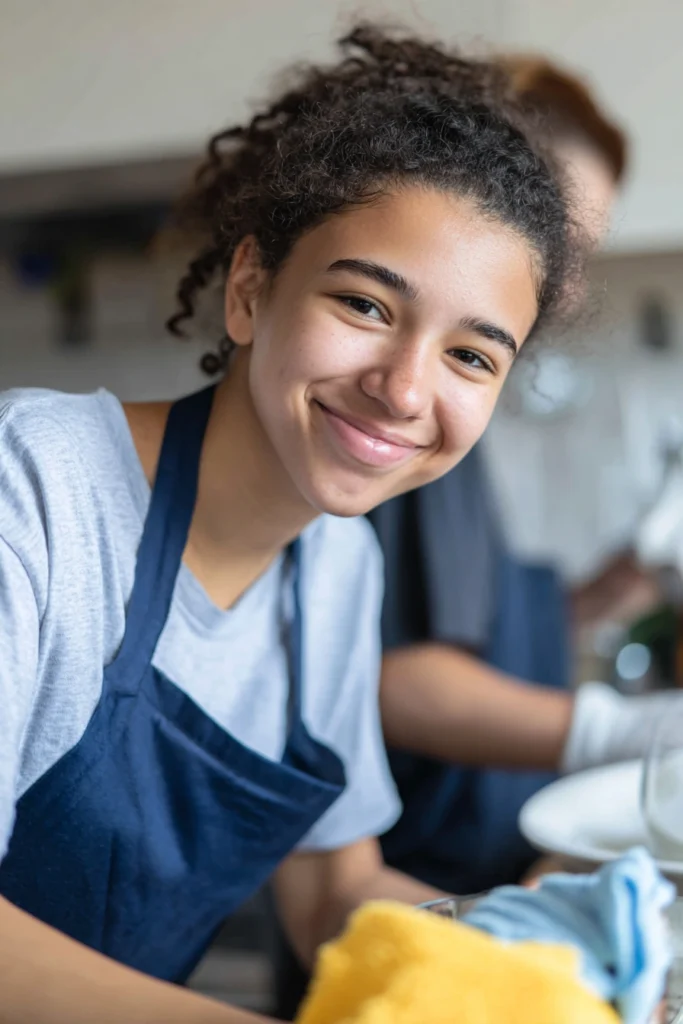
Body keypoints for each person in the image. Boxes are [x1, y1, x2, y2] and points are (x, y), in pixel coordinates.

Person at [0, 23, 581, 1024]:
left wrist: (549, 955)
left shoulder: (337, 568)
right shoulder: (39, 485)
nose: (404, 389)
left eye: (472, 357)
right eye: (363, 303)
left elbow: (332, 894)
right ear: (249, 289)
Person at [270, 52, 677, 1022]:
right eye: (558, 219)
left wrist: (544, 938)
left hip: (429, 915)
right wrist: (619, 730)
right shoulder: (372, 435)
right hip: (418, 883)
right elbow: (402, 678)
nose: (565, 267)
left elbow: (337, 892)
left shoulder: (432, 430)